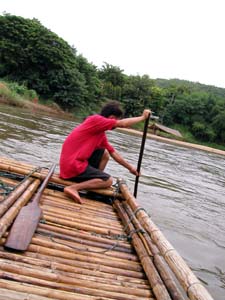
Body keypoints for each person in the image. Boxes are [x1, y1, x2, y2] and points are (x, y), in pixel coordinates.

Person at [59, 101, 151, 204]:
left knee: (105, 154)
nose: (117, 122)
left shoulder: (100, 133)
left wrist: (131, 168)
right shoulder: (96, 120)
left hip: (71, 164)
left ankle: (94, 183)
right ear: (112, 117)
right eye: (117, 119)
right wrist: (143, 117)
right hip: (72, 165)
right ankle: (74, 188)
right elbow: (123, 124)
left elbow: (114, 153)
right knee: (108, 181)